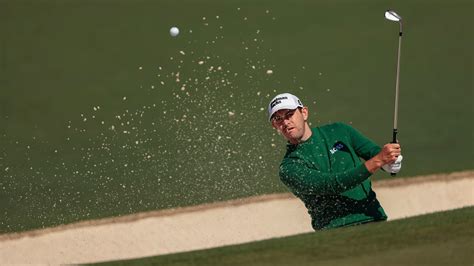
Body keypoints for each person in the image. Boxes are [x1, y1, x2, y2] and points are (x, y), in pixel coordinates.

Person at [268, 93, 403, 230]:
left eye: (289, 114)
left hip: (374, 218)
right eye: (278, 119)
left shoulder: (340, 131)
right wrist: (379, 161)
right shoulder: (288, 168)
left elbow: (375, 153)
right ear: (275, 126)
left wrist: (391, 162)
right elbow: (332, 184)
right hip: (334, 230)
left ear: (304, 113)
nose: (285, 122)